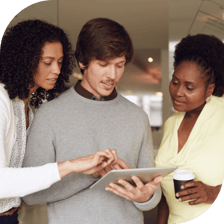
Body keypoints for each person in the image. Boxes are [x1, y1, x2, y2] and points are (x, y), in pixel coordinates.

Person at [22, 18, 162, 224]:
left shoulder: (137, 117)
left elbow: (150, 189)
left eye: (119, 65)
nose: (112, 75)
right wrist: (90, 174)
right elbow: (30, 193)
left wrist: (146, 197)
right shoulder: (50, 114)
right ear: (83, 62)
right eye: (104, 64)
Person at [0, 19, 118, 223]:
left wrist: (86, 168)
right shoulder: (1, 100)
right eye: (47, 62)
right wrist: (72, 165)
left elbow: (33, 173)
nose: (56, 69)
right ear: (24, 60)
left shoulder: (29, 106)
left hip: (11, 215)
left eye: (60, 62)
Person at [154, 34, 224, 224]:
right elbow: (165, 196)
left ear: (209, 89)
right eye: (175, 82)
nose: (178, 92)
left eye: (189, 87)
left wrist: (215, 192)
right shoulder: (171, 123)